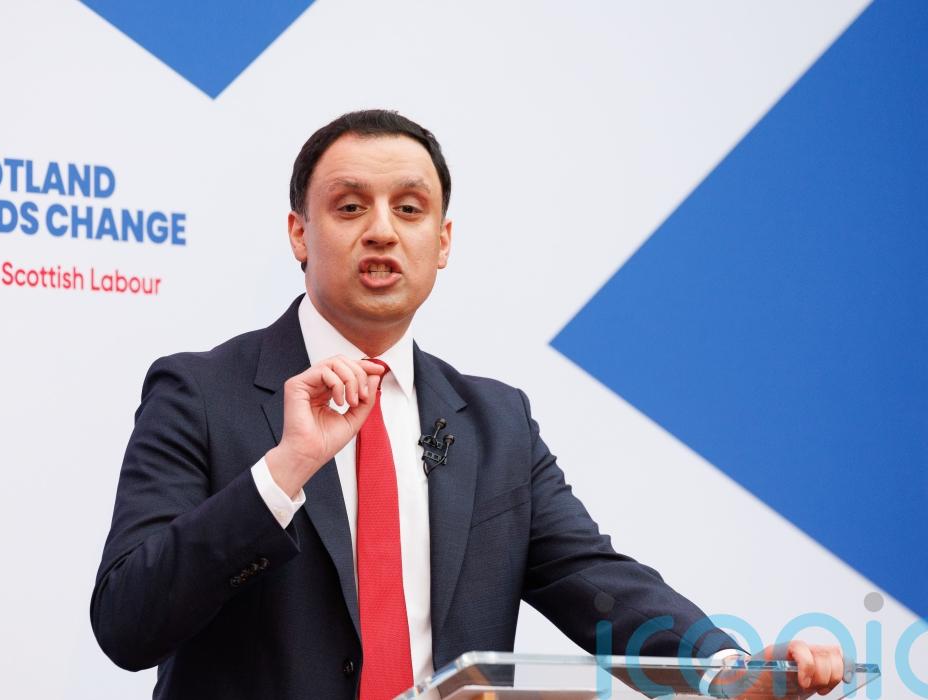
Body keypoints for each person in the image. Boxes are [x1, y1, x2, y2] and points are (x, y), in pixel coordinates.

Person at [90, 110, 845, 699]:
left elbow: (596, 583)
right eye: (349, 207)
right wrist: (284, 471)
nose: (381, 231)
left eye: (409, 209)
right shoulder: (199, 393)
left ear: (443, 241)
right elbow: (127, 622)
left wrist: (725, 670)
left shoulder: (495, 424)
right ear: (299, 234)